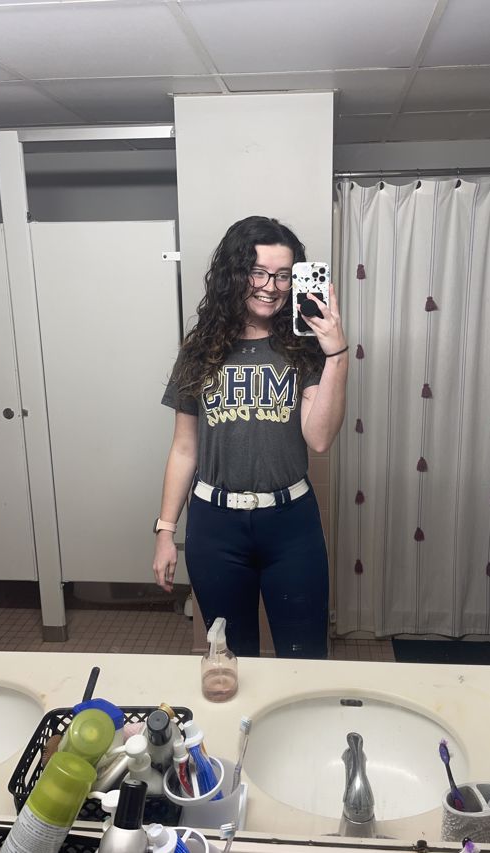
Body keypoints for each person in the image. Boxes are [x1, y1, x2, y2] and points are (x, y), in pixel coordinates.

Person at [152, 215, 348, 658]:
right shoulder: (199, 350)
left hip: (291, 524)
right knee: (230, 658)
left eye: (283, 275)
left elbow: (319, 439)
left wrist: (336, 353)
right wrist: (165, 531)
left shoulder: (305, 346)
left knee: (305, 656)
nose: (270, 287)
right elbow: (184, 449)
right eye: (258, 272)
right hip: (215, 526)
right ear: (234, 273)